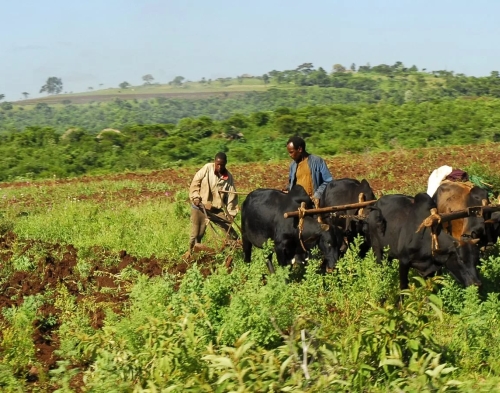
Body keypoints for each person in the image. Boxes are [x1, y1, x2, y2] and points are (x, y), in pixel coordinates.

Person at [187, 152, 239, 255]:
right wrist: (196, 197)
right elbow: (195, 182)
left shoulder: (228, 177)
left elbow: (232, 197)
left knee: (230, 232)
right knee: (196, 235)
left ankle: (232, 253)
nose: (219, 167)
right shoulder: (207, 168)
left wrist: (230, 214)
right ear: (215, 162)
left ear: (225, 164)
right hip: (200, 207)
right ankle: (191, 254)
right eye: (218, 164)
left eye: (222, 164)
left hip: (216, 210)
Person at [286, 136, 333, 209]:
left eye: (291, 152)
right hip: (298, 204)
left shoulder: (317, 161)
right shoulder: (293, 165)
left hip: (314, 203)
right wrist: (288, 189)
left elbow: (328, 181)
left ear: (300, 149)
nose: (290, 155)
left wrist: (318, 194)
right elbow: (291, 183)